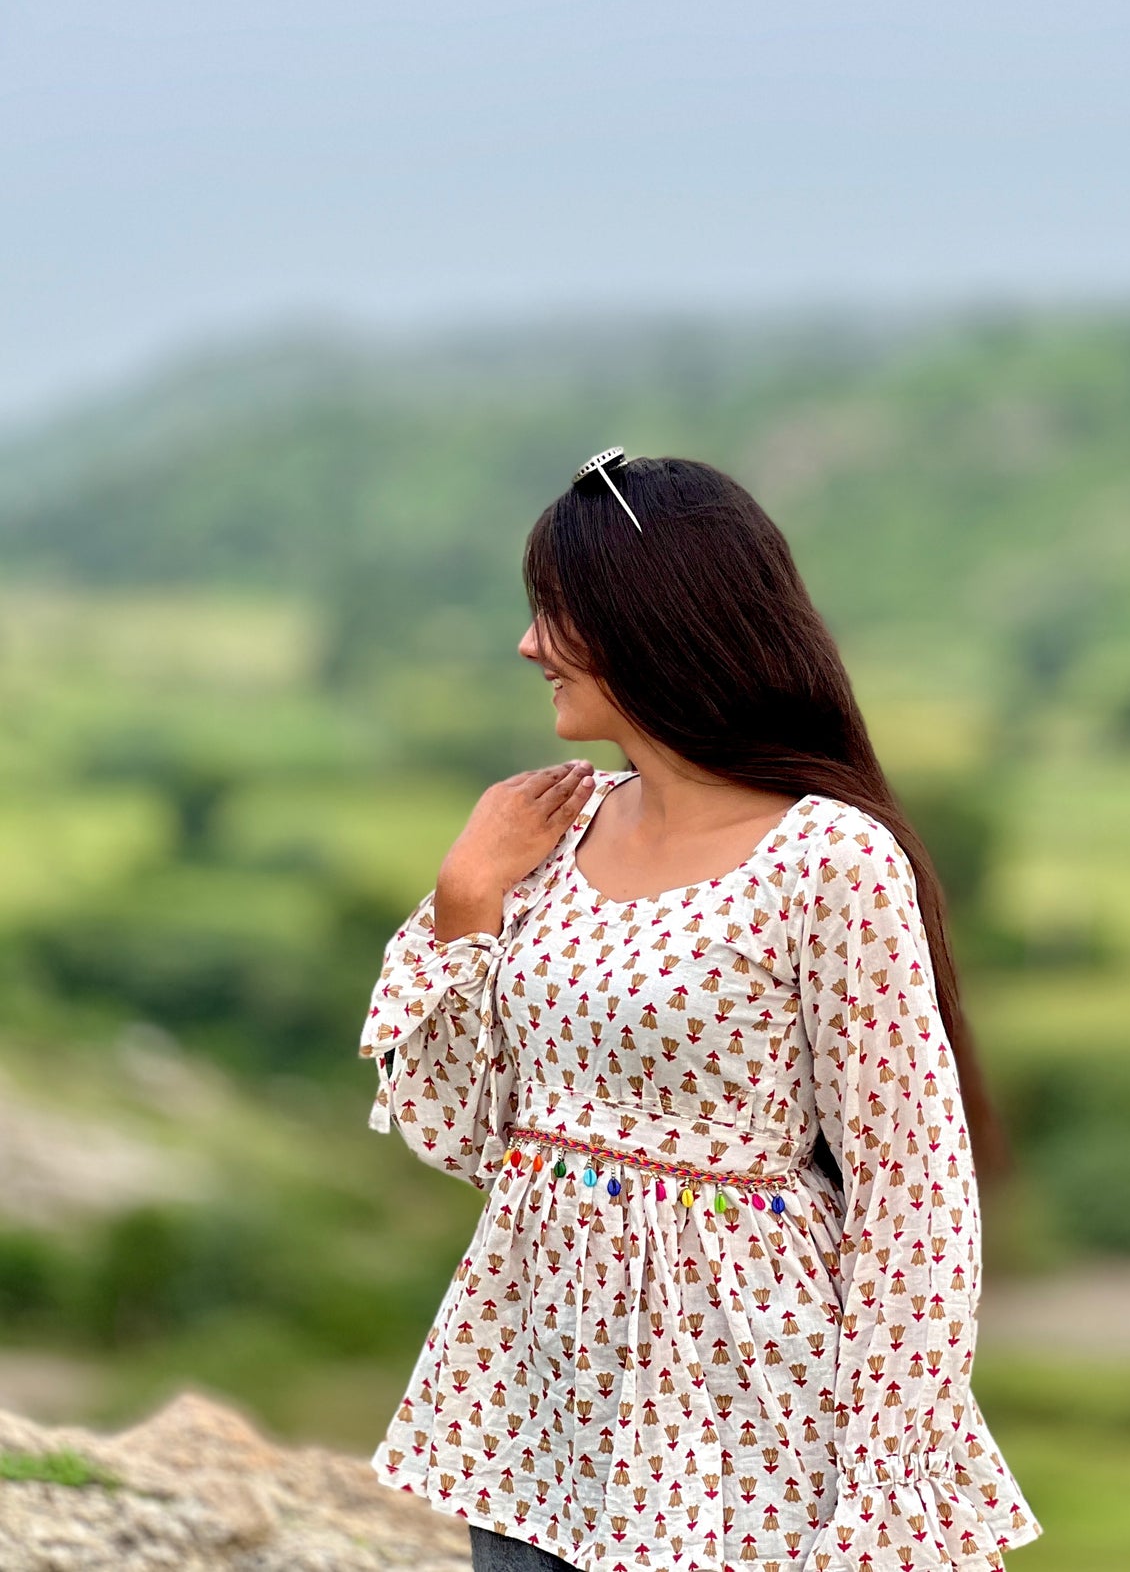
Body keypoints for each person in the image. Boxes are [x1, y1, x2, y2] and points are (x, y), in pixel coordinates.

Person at [358, 450, 1043, 1572]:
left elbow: (911, 1188)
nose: (528, 644)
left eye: (554, 612)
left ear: (650, 620)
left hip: (746, 1408)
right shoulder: (549, 830)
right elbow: (461, 1132)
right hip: (533, 1394)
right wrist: (464, 898)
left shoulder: (826, 857)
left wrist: (878, 1477)